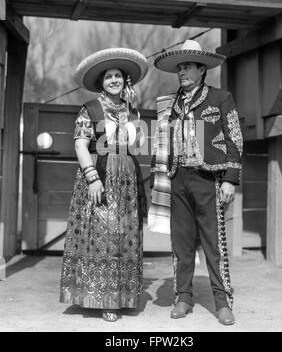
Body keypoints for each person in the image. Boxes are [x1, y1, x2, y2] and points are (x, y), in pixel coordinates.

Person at [148, 39, 243, 326]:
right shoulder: (170, 104)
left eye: (188, 66)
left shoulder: (220, 98)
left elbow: (235, 139)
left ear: (202, 70)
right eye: (180, 68)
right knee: (182, 243)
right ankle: (184, 297)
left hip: (208, 179)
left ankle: (222, 301)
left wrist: (230, 179)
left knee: (215, 244)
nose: (182, 72)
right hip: (178, 179)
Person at [60, 48, 148, 322]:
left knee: (125, 235)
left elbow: (137, 146)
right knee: (105, 236)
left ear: (126, 81)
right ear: (101, 82)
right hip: (101, 177)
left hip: (128, 183)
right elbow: (80, 144)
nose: (114, 80)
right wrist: (92, 177)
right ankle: (103, 298)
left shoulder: (131, 109)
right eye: (109, 76)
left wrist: (136, 124)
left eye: (118, 76)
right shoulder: (91, 109)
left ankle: (123, 295)